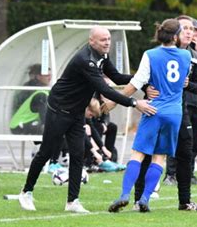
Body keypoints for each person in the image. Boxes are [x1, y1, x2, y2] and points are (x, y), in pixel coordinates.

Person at [18, 26, 155, 213]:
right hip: (59, 109)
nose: (107, 42)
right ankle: (26, 192)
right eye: (102, 40)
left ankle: (72, 201)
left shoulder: (102, 56)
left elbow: (115, 77)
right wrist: (134, 102)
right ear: (91, 41)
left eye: (108, 39)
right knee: (46, 152)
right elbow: (106, 90)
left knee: (78, 154)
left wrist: (143, 79)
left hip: (76, 113)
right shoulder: (86, 61)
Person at [104, 18, 191, 213]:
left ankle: (125, 194)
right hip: (174, 112)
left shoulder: (151, 55)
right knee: (159, 158)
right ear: (176, 36)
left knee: (138, 154)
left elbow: (136, 83)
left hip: (153, 109)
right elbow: (184, 80)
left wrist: (113, 101)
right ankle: (145, 199)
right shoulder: (186, 56)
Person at [134, 15, 197, 212]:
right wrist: (147, 88)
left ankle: (185, 201)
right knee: (146, 153)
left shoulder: (194, 57)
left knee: (185, 153)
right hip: (156, 110)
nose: (189, 32)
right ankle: (138, 198)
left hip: (180, 113)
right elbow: (144, 78)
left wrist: (189, 84)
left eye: (192, 28)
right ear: (174, 34)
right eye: (185, 28)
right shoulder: (156, 54)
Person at [165, 16, 197, 185]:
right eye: (192, 29)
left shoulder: (196, 54)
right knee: (176, 139)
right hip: (180, 103)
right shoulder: (173, 51)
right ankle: (170, 174)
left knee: (193, 142)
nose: (194, 33)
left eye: (196, 30)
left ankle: (189, 173)